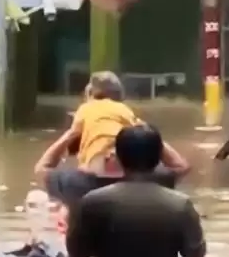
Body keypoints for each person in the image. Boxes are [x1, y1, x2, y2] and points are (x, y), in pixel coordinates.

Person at [33, 71, 189, 217]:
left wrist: (71, 133)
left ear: (90, 94)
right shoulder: (151, 182)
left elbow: (42, 168)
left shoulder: (76, 183)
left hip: (91, 178)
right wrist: (144, 129)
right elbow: (181, 166)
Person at [66, 124, 207, 257]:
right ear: (159, 158)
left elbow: (77, 254)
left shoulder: (92, 202)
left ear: (119, 157)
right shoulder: (180, 205)